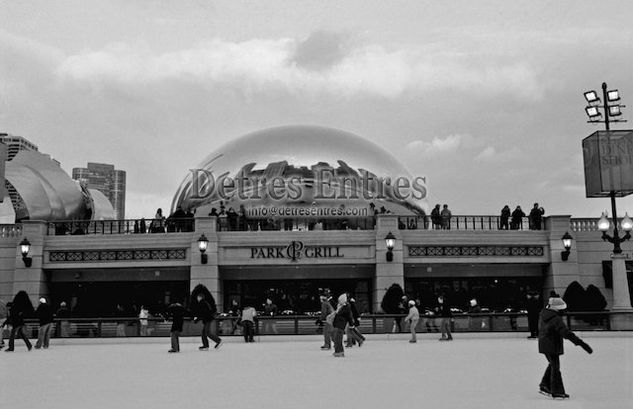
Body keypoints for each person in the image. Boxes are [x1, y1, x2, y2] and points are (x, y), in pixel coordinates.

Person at [538, 294, 593, 399]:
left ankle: (545, 385)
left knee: (553, 365)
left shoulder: (545, 314)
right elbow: (566, 333)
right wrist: (581, 343)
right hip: (551, 344)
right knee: (555, 368)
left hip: (545, 343)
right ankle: (557, 391)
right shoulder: (555, 318)